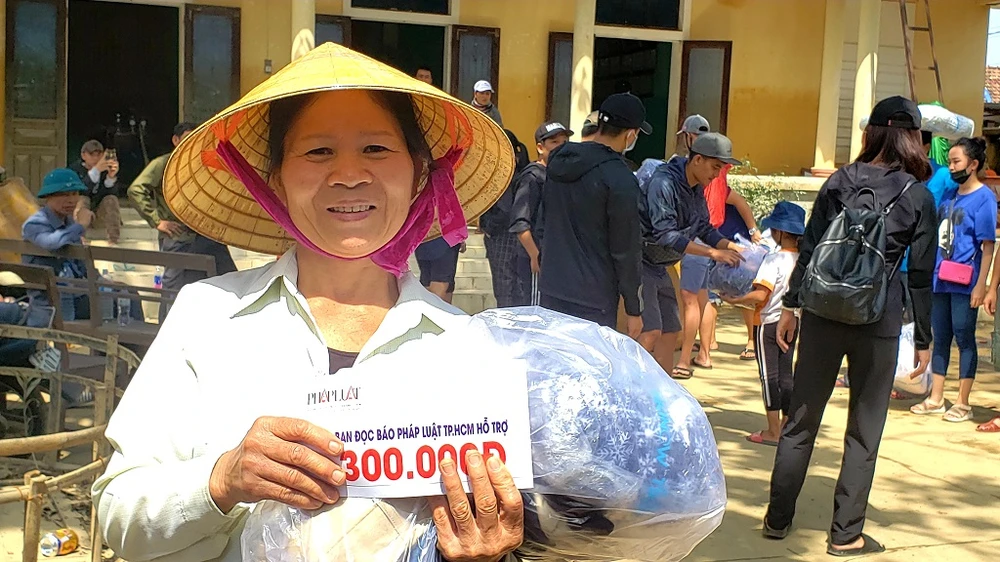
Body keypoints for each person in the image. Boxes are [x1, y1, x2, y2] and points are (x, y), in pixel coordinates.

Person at [91, 43, 524, 562]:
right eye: (318, 152)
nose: (348, 174)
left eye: (376, 149)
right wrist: (223, 479)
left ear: (418, 174)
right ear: (275, 179)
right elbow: (119, 515)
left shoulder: (463, 345)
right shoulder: (206, 315)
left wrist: (484, 551)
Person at [764, 96, 936, 556]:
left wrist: (791, 306)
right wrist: (924, 336)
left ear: (870, 133)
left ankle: (777, 520)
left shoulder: (839, 181)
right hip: (879, 319)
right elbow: (922, 275)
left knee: (801, 421)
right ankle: (845, 535)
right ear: (913, 138)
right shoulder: (918, 196)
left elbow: (810, 247)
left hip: (822, 313)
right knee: (864, 430)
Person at [538, 93, 649, 334]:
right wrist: (634, 308)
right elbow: (626, 248)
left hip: (552, 288)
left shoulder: (558, 162)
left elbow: (542, 221)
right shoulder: (620, 178)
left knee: (554, 355)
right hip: (594, 297)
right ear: (631, 135)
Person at [637, 133, 744, 379]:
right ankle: (628, 387)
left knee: (671, 330)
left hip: (661, 264)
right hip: (640, 261)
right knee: (650, 331)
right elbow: (666, 235)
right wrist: (713, 252)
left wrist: (732, 246)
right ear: (697, 160)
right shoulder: (663, 183)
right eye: (715, 167)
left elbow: (704, 228)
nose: (717, 174)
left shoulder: (696, 188)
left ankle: (662, 391)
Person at [910, 137, 997, 423]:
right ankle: (936, 397)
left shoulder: (984, 198)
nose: (951, 167)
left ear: (973, 165)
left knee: (964, 337)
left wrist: (982, 285)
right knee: (941, 337)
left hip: (965, 282)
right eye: (949, 162)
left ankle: (963, 401)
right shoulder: (949, 195)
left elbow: (987, 245)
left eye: (956, 161)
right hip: (940, 278)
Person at [128, 122, 238, 322]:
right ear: (175, 140)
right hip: (178, 234)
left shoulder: (204, 162)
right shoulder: (164, 164)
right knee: (173, 288)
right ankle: (166, 330)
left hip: (207, 233)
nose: (190, 143)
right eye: (186, 138)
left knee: (229, 279)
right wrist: (156, 221)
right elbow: (136, 189)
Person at [721, 201, 805, 446]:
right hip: (793, 321)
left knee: (769, 376)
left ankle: (773, 430)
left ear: (779, 232)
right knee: (786, 375)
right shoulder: (802, 261)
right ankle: (787, 424)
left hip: (768, 322)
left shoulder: (773, 260)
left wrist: (735, 300)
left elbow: (760, 295)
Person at [509, 121, 571, 305]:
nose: (560, 147)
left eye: (564, 142)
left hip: (557, 259)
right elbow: (520, 223)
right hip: (536, 258)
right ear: (540, 147)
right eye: (554, 142)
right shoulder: (532, 178)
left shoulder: (560, 176)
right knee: (536, 310)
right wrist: (535, 256)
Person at [480, 129, 530, 307]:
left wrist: (489, 227)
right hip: (516, 236)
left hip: (502, 237)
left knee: (505, 287)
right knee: (517, 286)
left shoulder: (506, 175)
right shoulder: (522, 173)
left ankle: (506, 321)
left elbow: (504, 209)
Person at [69, 139, 122, 244]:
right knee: (82, 199)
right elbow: (79, 191)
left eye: (99, 155)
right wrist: (95, 171)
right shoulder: (74, 170)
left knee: (111, 199)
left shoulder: (106, 169)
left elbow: (112, 195)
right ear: (83, 155)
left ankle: (113, 238)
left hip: (99, 214)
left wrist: (111, 177)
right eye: (92, 155)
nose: (95, 158)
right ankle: (79, 235)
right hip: (80, 214)